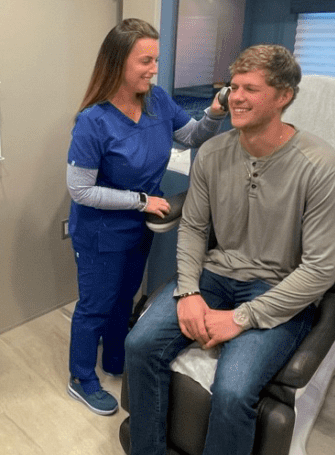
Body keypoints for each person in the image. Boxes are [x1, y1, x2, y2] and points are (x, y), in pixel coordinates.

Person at [80, 45, 335, 455]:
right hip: (215, 276)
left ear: (284, 96)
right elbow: (195, 230)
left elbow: (319, 271)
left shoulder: (320, 166)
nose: (236, 96)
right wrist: (187, 293)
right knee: (139, 344)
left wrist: (242, 319)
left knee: (232, 391)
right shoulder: (216, 153)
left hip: (278, 290)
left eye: (251, 88)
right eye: (235, 85)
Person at [66, 18, 226, 416]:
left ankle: (115, 359)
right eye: (146, 60)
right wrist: (141, 200)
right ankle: (81, 378)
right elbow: (80, 190)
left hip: (140, 229)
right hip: (100, 231)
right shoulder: (93, 121)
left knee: (125, 298)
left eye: (156, 59)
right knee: (95, 305)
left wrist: (216, 111)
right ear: (118, 62)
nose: (154, 68)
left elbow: (191, 136)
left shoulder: (157, 102)